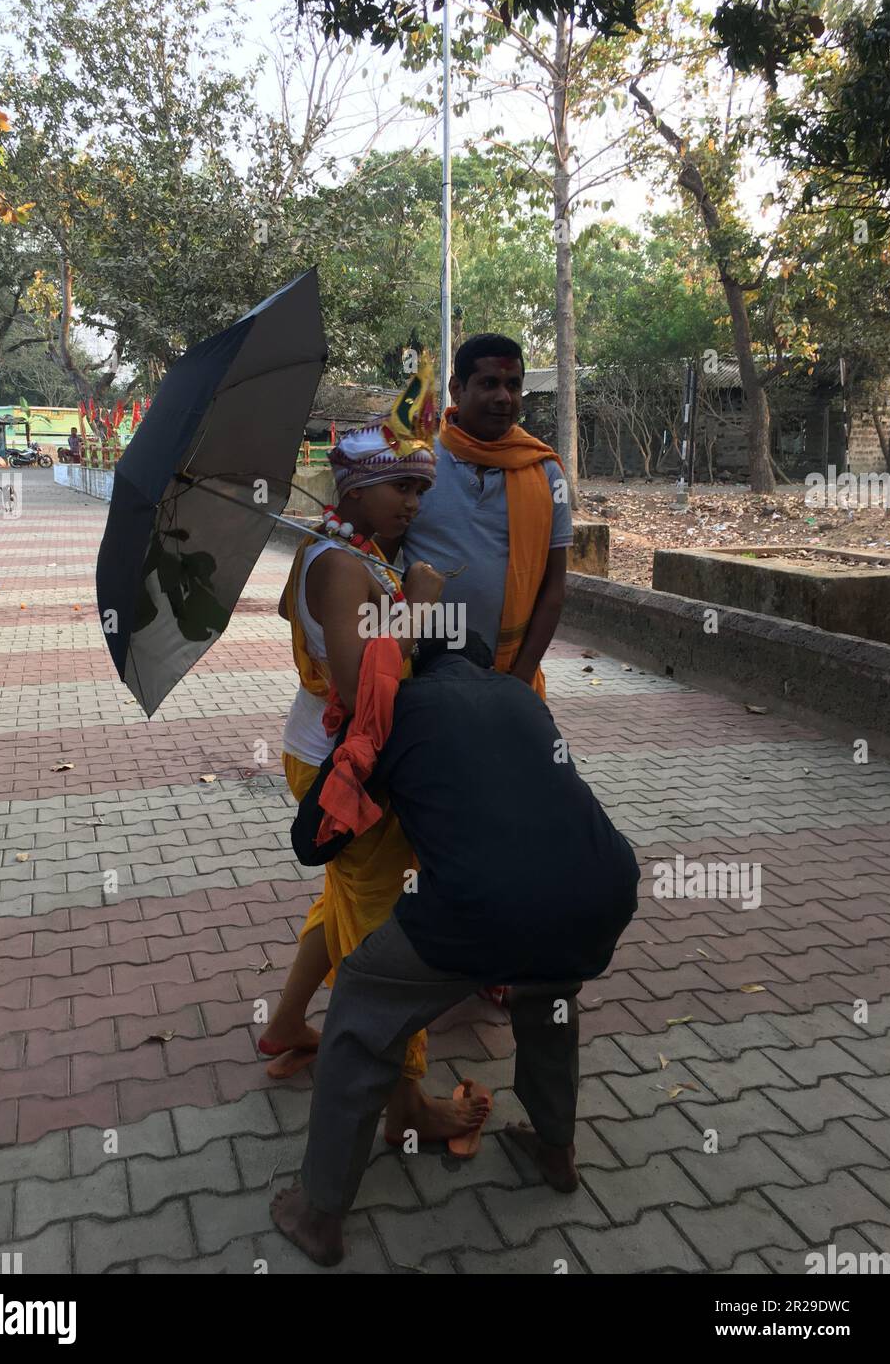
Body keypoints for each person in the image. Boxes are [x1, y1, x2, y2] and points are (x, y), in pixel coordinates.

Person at [270, 629, 640, 1266]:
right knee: (548, 996)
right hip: (600, 891)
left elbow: (313, 843)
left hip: (485, 906)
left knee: (361, 1007)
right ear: (479, 658)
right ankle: (557, 1152)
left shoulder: (399, 711)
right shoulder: (522, 698)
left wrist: (355, 745)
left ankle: (319, 1213)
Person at [262, 413, 491, 1144]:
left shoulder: (329, 553)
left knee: (345, 895)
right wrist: (416, 606)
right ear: (353, 491)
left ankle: (287, 1023)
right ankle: (407, 1108)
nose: (413, 505)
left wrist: (380, 594)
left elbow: (289, 615)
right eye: (399, 487)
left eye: (419, 491)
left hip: (322, 751)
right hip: (348, 767)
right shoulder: (339, 563)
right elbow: (366, 694)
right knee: (383, 928)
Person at [393, 333, 572, 701]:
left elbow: (553, 589)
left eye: (513, 385)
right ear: (457, 389)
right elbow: (377, 562)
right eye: (489, 383)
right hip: (420, 675)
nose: (504, 398)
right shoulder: (418, 462)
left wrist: (518, 682)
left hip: (508, 675)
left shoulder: (545, 473)